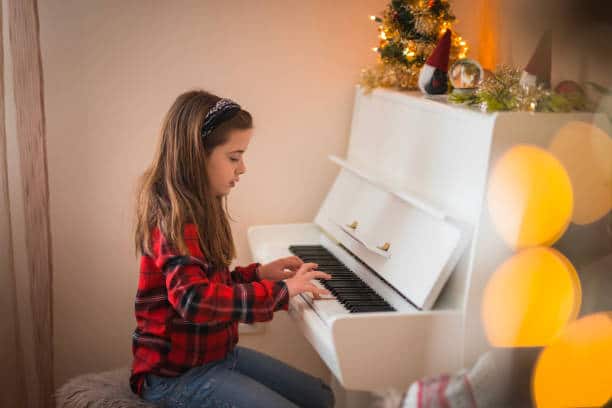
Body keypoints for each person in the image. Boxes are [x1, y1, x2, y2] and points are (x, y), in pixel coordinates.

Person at [130, 90, 335, 408]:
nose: (243, 168)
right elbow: (195, 300)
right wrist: (280, 291)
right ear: (197, 155)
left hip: (217, 357)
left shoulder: (199, 209)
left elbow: (210, 285)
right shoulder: (172, 218)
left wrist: (259, 275)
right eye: (234, 157)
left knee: (321, 397)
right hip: (174, 378)